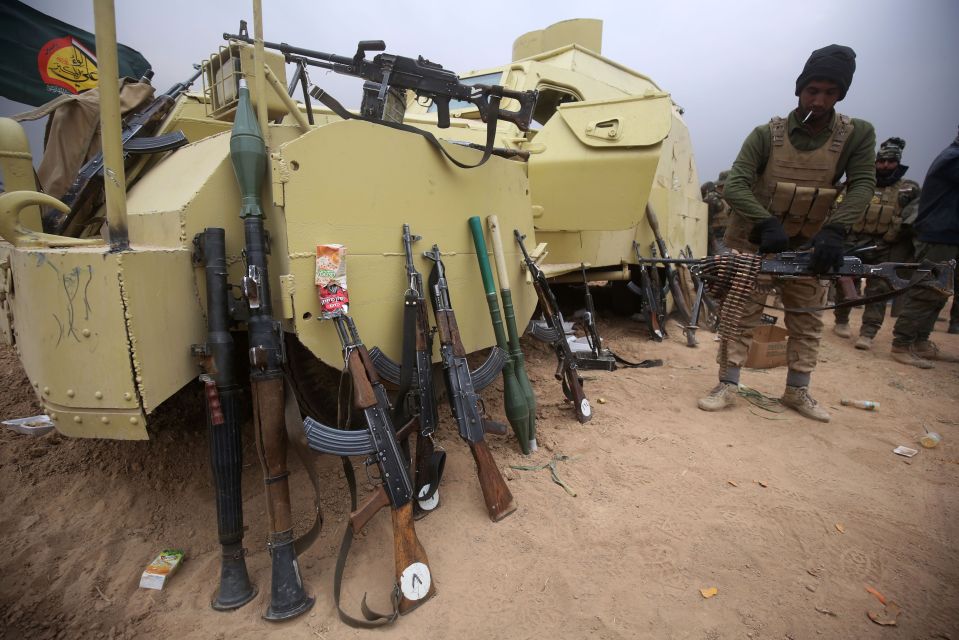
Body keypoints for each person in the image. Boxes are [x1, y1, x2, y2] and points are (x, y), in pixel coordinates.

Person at [698, 44, 876, 422]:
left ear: (841, 94)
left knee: (807, 318)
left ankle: (798, 390)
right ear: (799, 89)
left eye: (830, 92)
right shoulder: (766, 135)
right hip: (754, 242)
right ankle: (728, 383)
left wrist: (835, 230)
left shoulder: (857, 135)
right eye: (813, 90)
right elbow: (738, 184)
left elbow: (862, 185)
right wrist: (765, 221)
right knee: (739, 315)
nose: (820, 100)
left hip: (811, 246)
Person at [832, 137, 921, 348]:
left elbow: (915, 217)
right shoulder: (858, 184)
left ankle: (868, 333)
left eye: (891, 162)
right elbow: (839, 208)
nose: (885, 166)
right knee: (845, 281)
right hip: (854, 241)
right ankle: (841, 320)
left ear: (898, 163)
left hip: (885, 245)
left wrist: (898, 233)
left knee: (879, 289)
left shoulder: (908, 189)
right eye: (881, 161)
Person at [888, 128, 959, 368]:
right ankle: (901, 343)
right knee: (927, 290)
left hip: (949, 236)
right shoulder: (952, 158)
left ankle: (921, 342)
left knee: (941, 292)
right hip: (939, 236)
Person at [702, 170, 732, 254]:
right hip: (717, 239)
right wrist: (714, 243)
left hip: (727, 239)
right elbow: (707, 224)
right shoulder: (712, 199)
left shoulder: (725, 198)